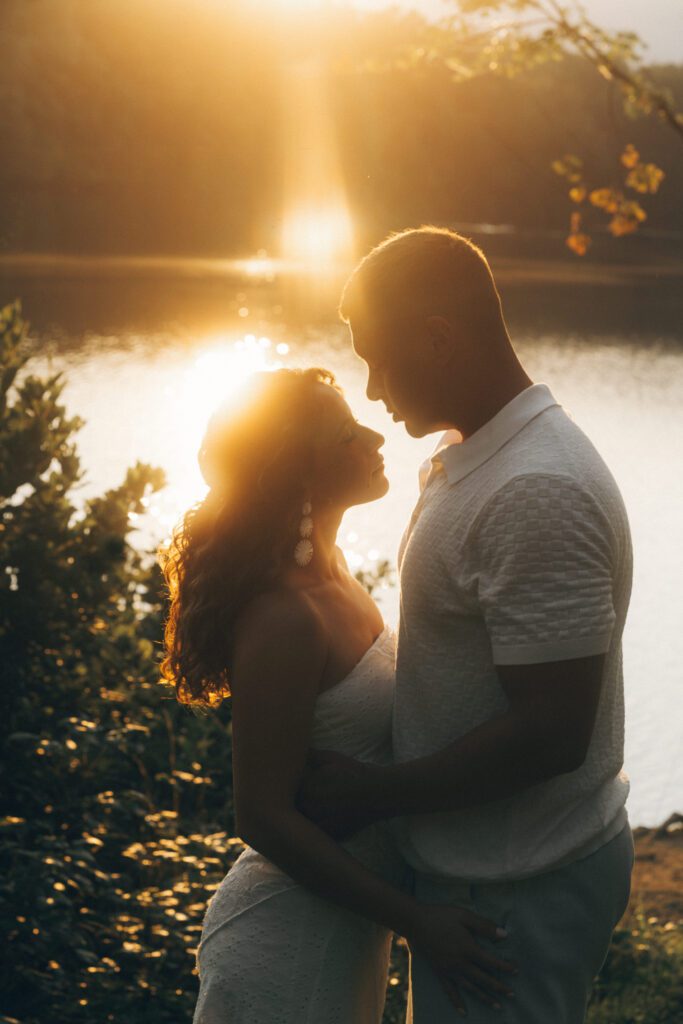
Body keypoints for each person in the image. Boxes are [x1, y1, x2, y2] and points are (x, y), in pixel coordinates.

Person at [298, 226, 635, 1023]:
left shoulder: (534, 488)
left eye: (379, 359)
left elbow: (553, 732)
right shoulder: (476, 452)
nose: (372, 389)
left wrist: (375, 794)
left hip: (517, 886)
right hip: (485, 874)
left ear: (439, 340)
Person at [158, 367, 515, 1024]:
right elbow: (261, 817)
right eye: (348, 434)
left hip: (347, 926)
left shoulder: (337, 576)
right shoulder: (284, 617)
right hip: (285, 939)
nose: (376, 436)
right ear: (300, 472)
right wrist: (415, 922)